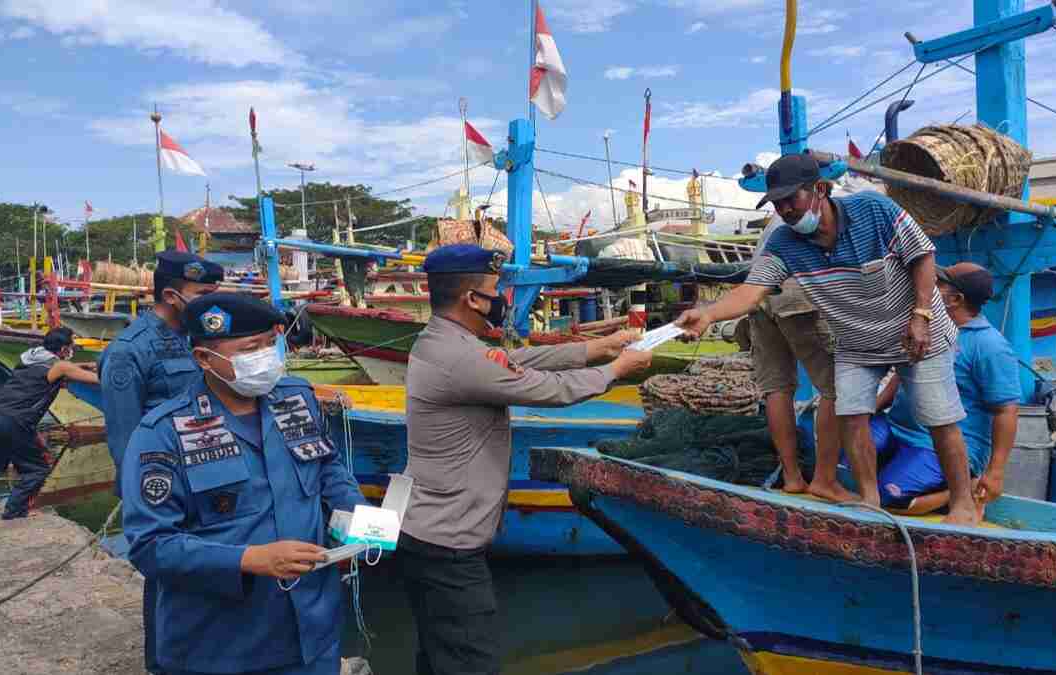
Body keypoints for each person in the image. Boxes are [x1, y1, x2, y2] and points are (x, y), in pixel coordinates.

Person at [676, 153, 978, 525]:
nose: (785, 209)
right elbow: (751, 292)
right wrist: (707, 314)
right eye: (777, 203)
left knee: (939, 417)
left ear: (820, 189)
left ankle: (963, 502)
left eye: (792, 199)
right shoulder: (785, 244)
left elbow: (922, 256)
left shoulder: (874, 210)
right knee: (850, 413)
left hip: (917, 333)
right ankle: (869, 500)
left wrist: (921, 315)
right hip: (857, 341)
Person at [400, 244, 652, 675]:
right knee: (470, 663)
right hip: (448, 548)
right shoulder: (459, 358)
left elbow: (515, 360)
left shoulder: (445, 341)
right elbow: (550, 390)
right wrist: (616, 370)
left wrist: (597, 348)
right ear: (472, 299)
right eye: (496, 289)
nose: (504, 299)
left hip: (429, 535)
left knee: (441, 657)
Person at [121, 292, 367, 675]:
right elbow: (150, 545)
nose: (267, 358)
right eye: (252, 348)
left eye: (271, 344)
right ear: (204, 358)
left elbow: (329, 468)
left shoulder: (296, 398)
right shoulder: (163, 433)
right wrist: (252, 559)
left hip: (313, 631)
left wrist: (357, 519)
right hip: (222, 644)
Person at [99, 250, 222, 675]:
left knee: (207, 572)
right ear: (171, 295)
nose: (213, 302)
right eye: (204, 293)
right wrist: (146, 496)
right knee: (166, 577)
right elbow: (125, 437)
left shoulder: (199, 339)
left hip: (210, 474)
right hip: (164, 486)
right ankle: (162, 664)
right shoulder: (129, 351)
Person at [873, 263, 1020, 516]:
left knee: (890, 498)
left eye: (939, 284)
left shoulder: (989, 346)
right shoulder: (923, 325)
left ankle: (963, 488)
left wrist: (994, 473)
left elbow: (1005, 411)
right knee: (846, 452)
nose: (929, 286)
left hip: (936, 446)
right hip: (896, 428)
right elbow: (901, 376)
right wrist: (870, 410)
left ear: (955, 300)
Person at [741, 213, 851, 500]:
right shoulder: (828, 209)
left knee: (777, 388)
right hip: (795, 291)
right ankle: (825, 480)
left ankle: (792, 477)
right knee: (836, 388)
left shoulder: (777, 219)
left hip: (759, 294)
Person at [0, 328, 98, 518]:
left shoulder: (29, 358)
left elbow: (61, 367)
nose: (72, 349)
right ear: (62, 349)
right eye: (71, 345)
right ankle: (15, 511)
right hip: (14, 422)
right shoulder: (61, 367)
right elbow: (96, 380)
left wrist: (86, 364)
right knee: (37, 469)